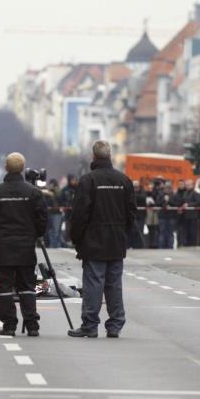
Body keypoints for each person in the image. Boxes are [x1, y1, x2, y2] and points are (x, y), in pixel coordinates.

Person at [68, 141, 135, 338]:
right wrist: (123, 233)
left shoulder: (88, 181)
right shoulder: (124, 180)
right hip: (116, 240)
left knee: (93, 284)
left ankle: (90, 324)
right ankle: (115, 324)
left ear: (93, 157)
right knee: (114, 284)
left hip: (93, 240)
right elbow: (131, 212)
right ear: (110, 156)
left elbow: (80, 213)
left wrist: (76, 239)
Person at [0, 152, 47, 337]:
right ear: (23, 168)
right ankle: (32, 324)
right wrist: (35, 235)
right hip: (26, 247)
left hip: (3, 247)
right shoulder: (33, 193)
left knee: (5, 288)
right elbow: (42, 218)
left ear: (7, 168)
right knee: (27, 286)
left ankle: (9, 325)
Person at [59, 174, 79, 246]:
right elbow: (61, 200)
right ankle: (68, 241)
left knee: (77, 227)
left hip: (77, 212)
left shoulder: (79, 189)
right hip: (68, 213)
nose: (73, 181)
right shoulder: (65, 190)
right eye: (72, 179)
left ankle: (76, 241)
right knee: (68, 227)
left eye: (74, 179)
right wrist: (66, 205)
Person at [43, 179, 63, 248]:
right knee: (50, 230)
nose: (50, 186)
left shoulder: (59, 192)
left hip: (57, 213)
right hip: (49, 213)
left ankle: (56, 245)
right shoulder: (47, 193)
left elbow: (60, 201)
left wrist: (53, 194)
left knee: (56, 231)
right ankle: (52, 245)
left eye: (52, 184)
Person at [131, 180, 147, 248]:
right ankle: (133, 245)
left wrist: (134, 195)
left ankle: (140, 246)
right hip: (132, 215)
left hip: (141, 215)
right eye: (134, 186)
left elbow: (143, 198)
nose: (136, 188)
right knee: (133, 231)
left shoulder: (142, 192)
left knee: (140, 230)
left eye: (137, 186)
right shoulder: (130, 192)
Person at [144, 181, 159, 248]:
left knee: (154, 229)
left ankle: (154, 244)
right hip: (149, 213)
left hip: (155, 213)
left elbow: (158, 201)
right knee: (148, 229)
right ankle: (148, 244)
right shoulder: (146, 193)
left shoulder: (157, 193)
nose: (150, 188)